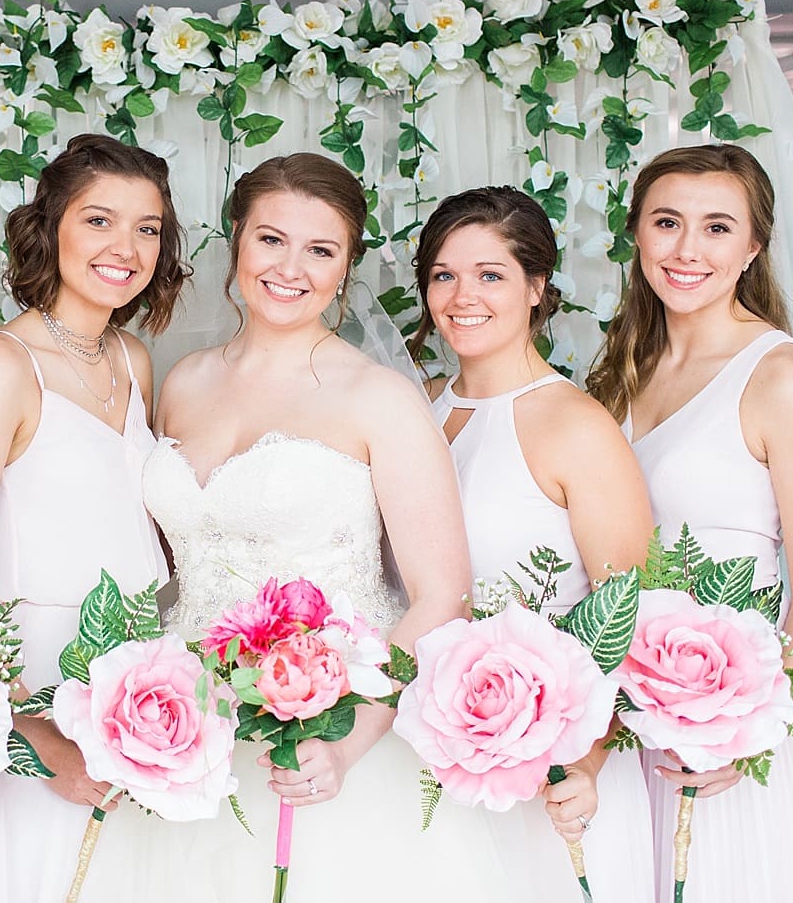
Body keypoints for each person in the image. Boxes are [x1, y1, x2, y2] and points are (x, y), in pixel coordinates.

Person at [139, 153, 524, 901]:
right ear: (236, 243)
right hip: (193, 733)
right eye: (270, 239)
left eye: (320, 250)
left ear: (346, 267)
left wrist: (347, 742)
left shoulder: (376, 396)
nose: (291, 268)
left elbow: (442, 593)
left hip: (331, 739)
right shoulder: (182, 380)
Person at [0, 133, 189, 902]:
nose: (125, 247)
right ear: (51, 228)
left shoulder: (132, 358)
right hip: (33, 675)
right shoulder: (1, 365)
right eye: (99, 220)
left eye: (147, 227)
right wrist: (33, 741)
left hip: (139, 675)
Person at [587, 144, 793, 901]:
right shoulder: (620, 371)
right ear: (636, 233)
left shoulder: (781, 381)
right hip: (631, 721)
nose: (686, 250)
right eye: (666, 222)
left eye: (715, 227)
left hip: (731, 738)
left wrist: (747, 734)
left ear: (753, 247)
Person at [413, 186, 655, 902]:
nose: (463, 295)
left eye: (490, 274)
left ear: (536, 288)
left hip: (548, 772)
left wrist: (587, 763)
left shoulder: (574, 426)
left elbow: (626, 615)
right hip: (426, 755)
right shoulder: (414, 405)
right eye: (443, 274)